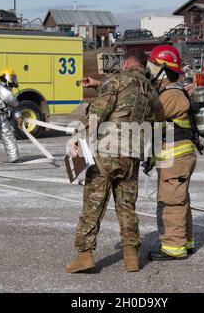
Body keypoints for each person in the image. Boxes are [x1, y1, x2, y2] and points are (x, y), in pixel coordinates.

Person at [65, 49, 158, 274]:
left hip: (106, 153)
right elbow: (153, 117)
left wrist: (77, 134)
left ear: (126, 63)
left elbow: (100, 110)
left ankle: (85, 255)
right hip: (132, 154)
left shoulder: (117, 79)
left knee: (94, 204)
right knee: (126, 205)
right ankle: (131, 257)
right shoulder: (150, 90)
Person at [147, 45, 197, 261]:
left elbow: (147, 116)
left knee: (172, 201)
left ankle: (173, 247)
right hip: (176, 158)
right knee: (179, 198)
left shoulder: (171, 95)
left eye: (153, 67)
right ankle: (185, 241)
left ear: (164, 70)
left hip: (175, 158)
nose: (149, 72)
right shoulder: (170, 92)